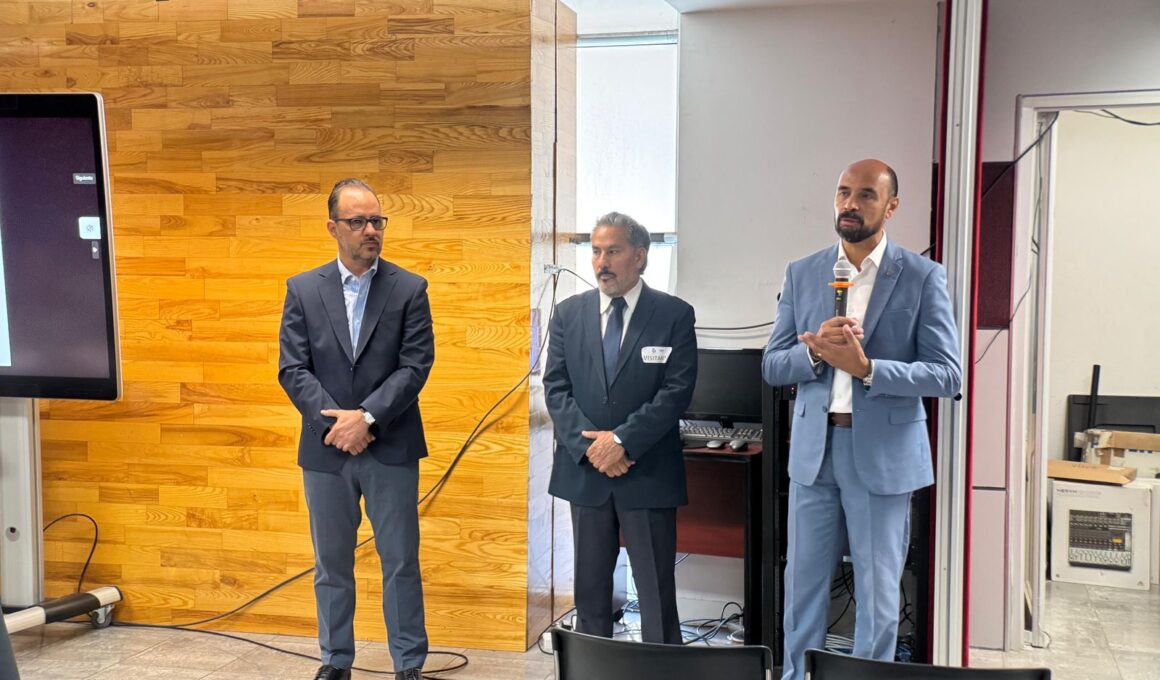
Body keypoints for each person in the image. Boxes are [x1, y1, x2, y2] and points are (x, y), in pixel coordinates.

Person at [763, 159, 961, 679]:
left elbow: (947, 374)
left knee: (877, 593)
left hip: (882, 457)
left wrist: (867, 368)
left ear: (891, 206)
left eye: (866, 194)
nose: (850, 203)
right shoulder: (803, 272)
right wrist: (814, 354)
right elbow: (772, 363)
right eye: (843, 192)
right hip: (814, 453)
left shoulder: (922, 276)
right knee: (802, 587)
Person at [279, 178, 433, 680]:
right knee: (331, 564)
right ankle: (335, 660)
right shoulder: (303, 289)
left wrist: (365, 417)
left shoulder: (409, 288)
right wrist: (337, 424)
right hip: (326, 451)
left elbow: (415, 366)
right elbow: (292, 369)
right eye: (358, 221)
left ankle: (408, 664)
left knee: (400, 561)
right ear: (333, 228)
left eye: (377, 221)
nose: (371, 230)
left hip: (390, 446)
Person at [545, 211, 698, 644]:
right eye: (596, 251)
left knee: (655, 595)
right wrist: (593, 448)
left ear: (640, 257)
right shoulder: (568, 314)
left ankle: (661, 671)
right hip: (586, 472)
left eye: (612, 251)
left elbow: (677, 391)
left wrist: (623, 442)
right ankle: (592, 669)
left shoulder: (673, 314)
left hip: (647, 472)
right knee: (590, 593)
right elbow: (556, 388)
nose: (601, 262)